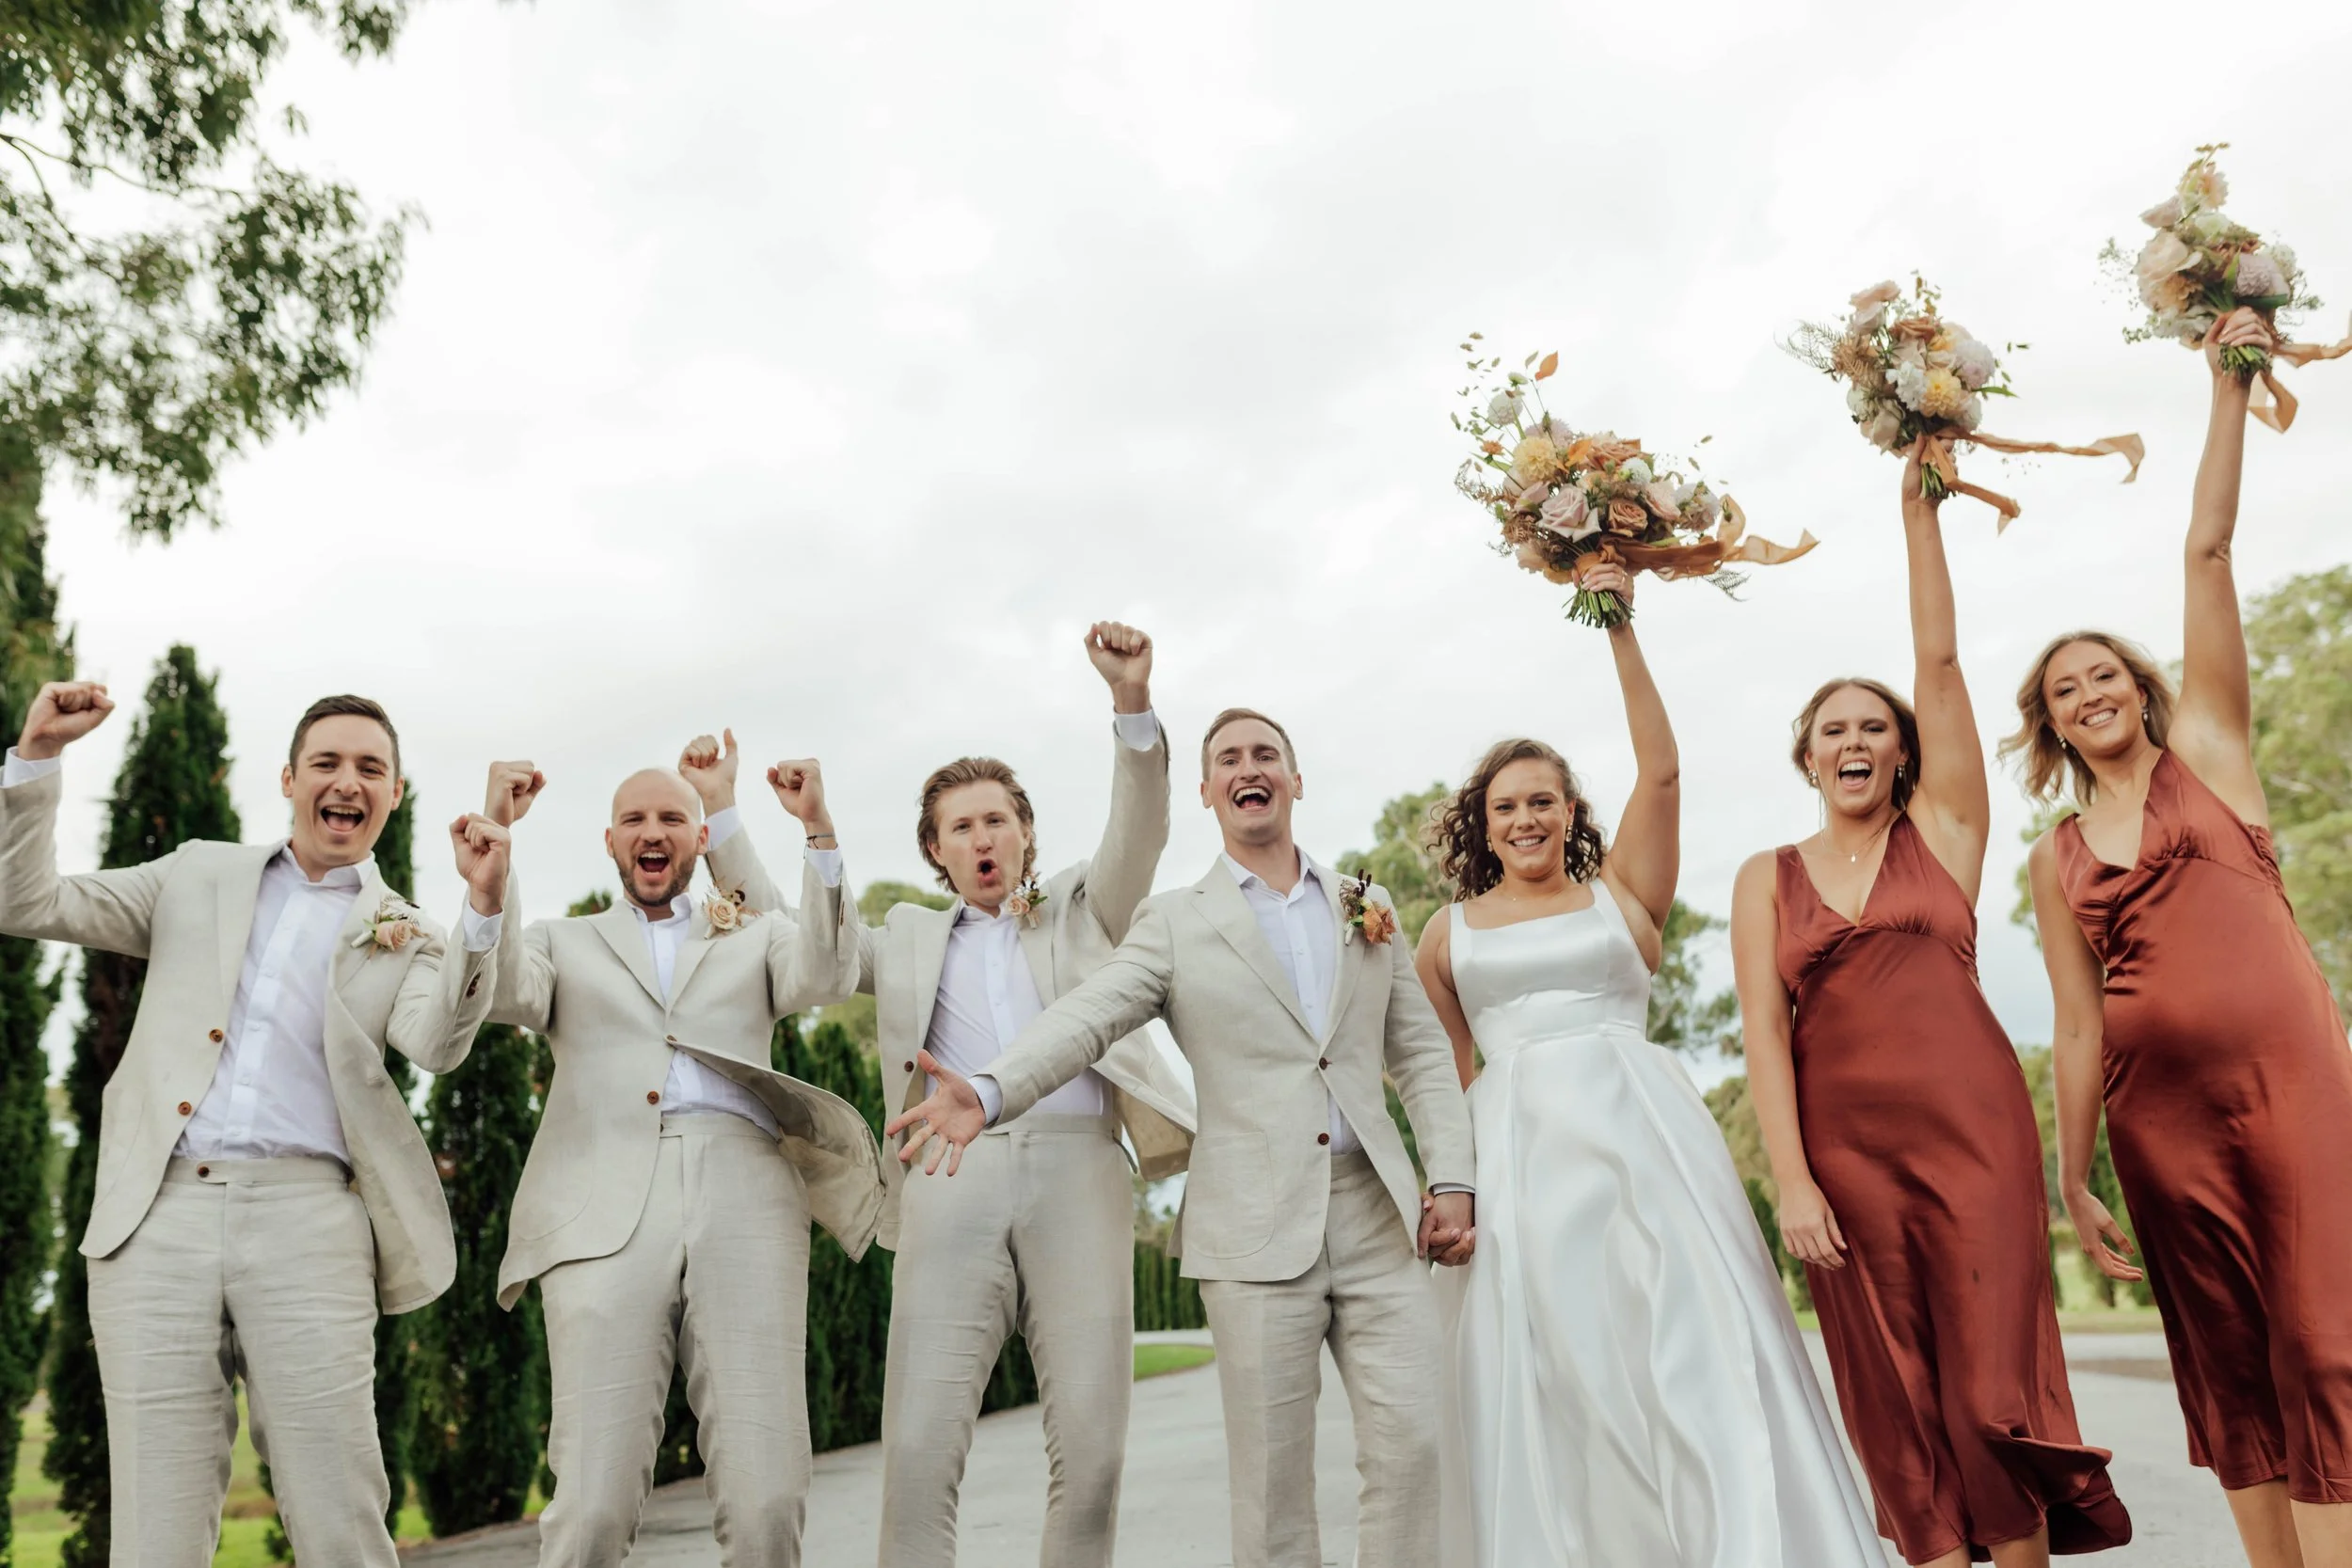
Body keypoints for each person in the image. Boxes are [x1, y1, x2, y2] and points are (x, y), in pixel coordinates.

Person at [886, 705, 1475, 1568]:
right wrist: (989, 1087)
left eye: (1267, 753)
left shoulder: (1366, 905)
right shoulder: (1171, 920)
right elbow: (1088, 1017)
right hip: (1251, 1229)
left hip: (1378, 1219)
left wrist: (1452, 1176)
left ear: (1295, 779)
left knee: (1417, 1449)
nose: (1251, 766)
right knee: (1275, 1493)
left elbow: (1423, 1054)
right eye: (1230, 757)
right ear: (1207, 791)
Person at [1419, 562, 1882, 1567]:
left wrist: (1617, 622)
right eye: (1506, 806)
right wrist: (1447, 1190)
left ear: (1570, 809)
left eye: (1543, 800)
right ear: (1480, 821)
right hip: (1520, 1166)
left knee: (1692, 1346)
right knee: (1559, 1372)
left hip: (1647, 1142)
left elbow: (1662, 772)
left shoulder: (1622, 893)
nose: (1526, 819)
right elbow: (1443, 1077)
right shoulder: (1444, 934)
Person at [1730, 446, 2131, 1568]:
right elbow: (1765, 1030)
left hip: (1975, 1141)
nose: (1854, 742)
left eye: (1874, 727)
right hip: (1844, 1159)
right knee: (1890, 1389)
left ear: (1904, 751)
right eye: (1833, 731)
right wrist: (1791, 1176)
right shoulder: (1765, 876)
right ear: (1805, 756)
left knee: (1987, 1388)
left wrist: (1920, 515)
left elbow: (1939, 658)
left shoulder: (1945, 838)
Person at [0, 684, 507, 1567]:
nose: (346, 781)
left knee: (338, 1517)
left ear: (393, 795)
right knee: (154, 1534)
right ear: (289, 778)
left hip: (311, 1223)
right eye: (327, 762)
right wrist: (37, 757)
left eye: (369, 769)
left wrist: (484, 910)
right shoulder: (196, 871)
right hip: (155, 1219)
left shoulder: (412, 933)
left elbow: (438, 1043)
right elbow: (28, 901)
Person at [725, 623, 1197, 1568]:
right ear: (936, 849)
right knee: (921, 1443)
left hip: (1079, 1171)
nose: (982, 837)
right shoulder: (902, 935)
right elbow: (798, 937)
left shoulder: (1085, 906)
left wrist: (1131, 703)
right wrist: (755, 824)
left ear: (1024, 830)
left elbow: (1139, 827)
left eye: (996, 819)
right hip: (948, 1173)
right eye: (961, 826)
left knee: (1094, 1445)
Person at [2017, 308, 2352, 1568]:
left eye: (2105, 672)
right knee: (2227, 1359)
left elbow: (2207, 549)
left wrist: (2227, 386)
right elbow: (2075, 1015)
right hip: (2159, 1119)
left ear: (2142, 684)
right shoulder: (2051, 857)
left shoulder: (2212, 753)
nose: (2091, 691)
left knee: (2324, 1339)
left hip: (2292, 1085)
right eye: (2065, 687)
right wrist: (2074, 1165)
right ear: (2048, 721)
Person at [481, 743, 882, 1568]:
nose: (652, 831)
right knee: (590, 1505)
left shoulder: (758, 931)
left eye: (672, 818)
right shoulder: (562, 940)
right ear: (609, 840)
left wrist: (817, 830)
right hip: (602, 1207)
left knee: (769, 1492)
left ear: (700, 842)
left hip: (747, 1191)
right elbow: (503, 988)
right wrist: (497, 853)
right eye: (635, 818)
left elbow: (829, 969)